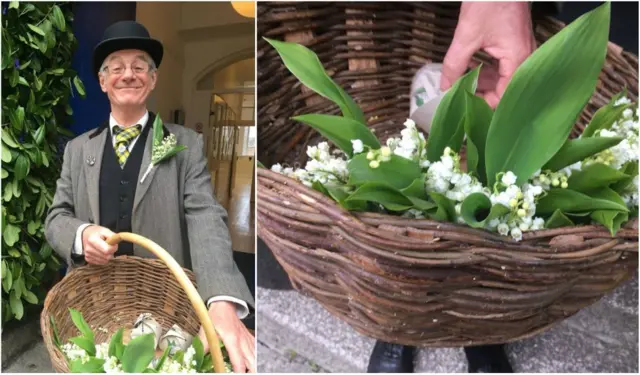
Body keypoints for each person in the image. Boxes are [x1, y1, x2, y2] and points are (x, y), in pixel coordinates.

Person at [44, 20, 256, 373]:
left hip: (166, 311)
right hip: (94, 311)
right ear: (102, 81)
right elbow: (56, 218)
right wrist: (80, 235)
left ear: (153, 79)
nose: (128, 74)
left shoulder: (184, 144)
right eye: (117, 67)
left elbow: (205, 215)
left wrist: (220, 299)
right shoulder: (78, 150)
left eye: (139, 66)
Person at [367, 2, 536, 372]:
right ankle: (400, 325)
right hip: (399, 21)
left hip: (494, 40)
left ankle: (481, 332)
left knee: (491, 232)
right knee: (401, 231)